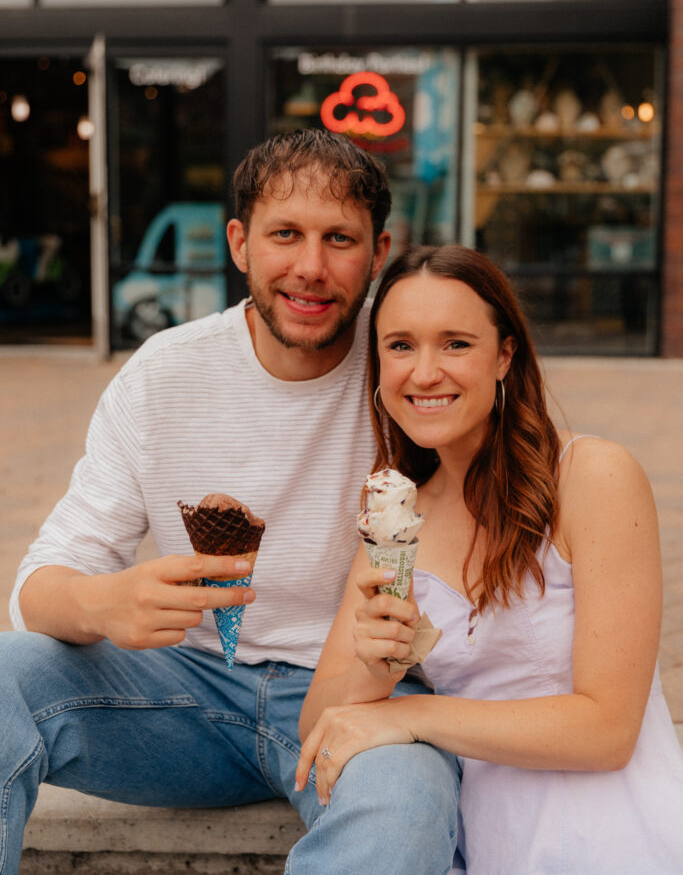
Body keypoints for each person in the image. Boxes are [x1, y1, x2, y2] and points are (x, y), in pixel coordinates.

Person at [1, 131, 457, 875]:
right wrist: (105, 602)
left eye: (338, 239)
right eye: (285, 235)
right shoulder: (164, 375)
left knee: (405, 808)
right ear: (240, 243)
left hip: (360, 696)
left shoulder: (410, 367)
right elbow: (38, 588)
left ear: (379, 254)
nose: (310, 268)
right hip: (179, 699)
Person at [293, 244, 683, 875]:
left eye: (455, 344)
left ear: (505, 355)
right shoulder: (396, 523)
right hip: (489, 839)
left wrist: (412, 715)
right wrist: (375, 667)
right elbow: (319, 721)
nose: (424, 373)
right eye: (399, 346)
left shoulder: (591, 477)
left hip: (615, 831)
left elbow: (608, 730)